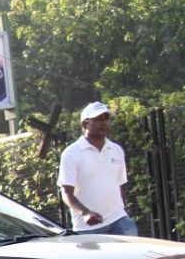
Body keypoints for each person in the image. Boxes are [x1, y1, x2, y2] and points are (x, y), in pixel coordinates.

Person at [57, 101, 137, 236]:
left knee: (135, 256)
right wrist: (85, 213)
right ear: (85, 124)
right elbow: (66, 193)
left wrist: (121, 211)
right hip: (87, 228)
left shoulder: (116, 150)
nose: (104, 122)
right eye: (98, 119)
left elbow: (120, 187)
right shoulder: (71, 153)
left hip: (119, 220)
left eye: (106, 118)